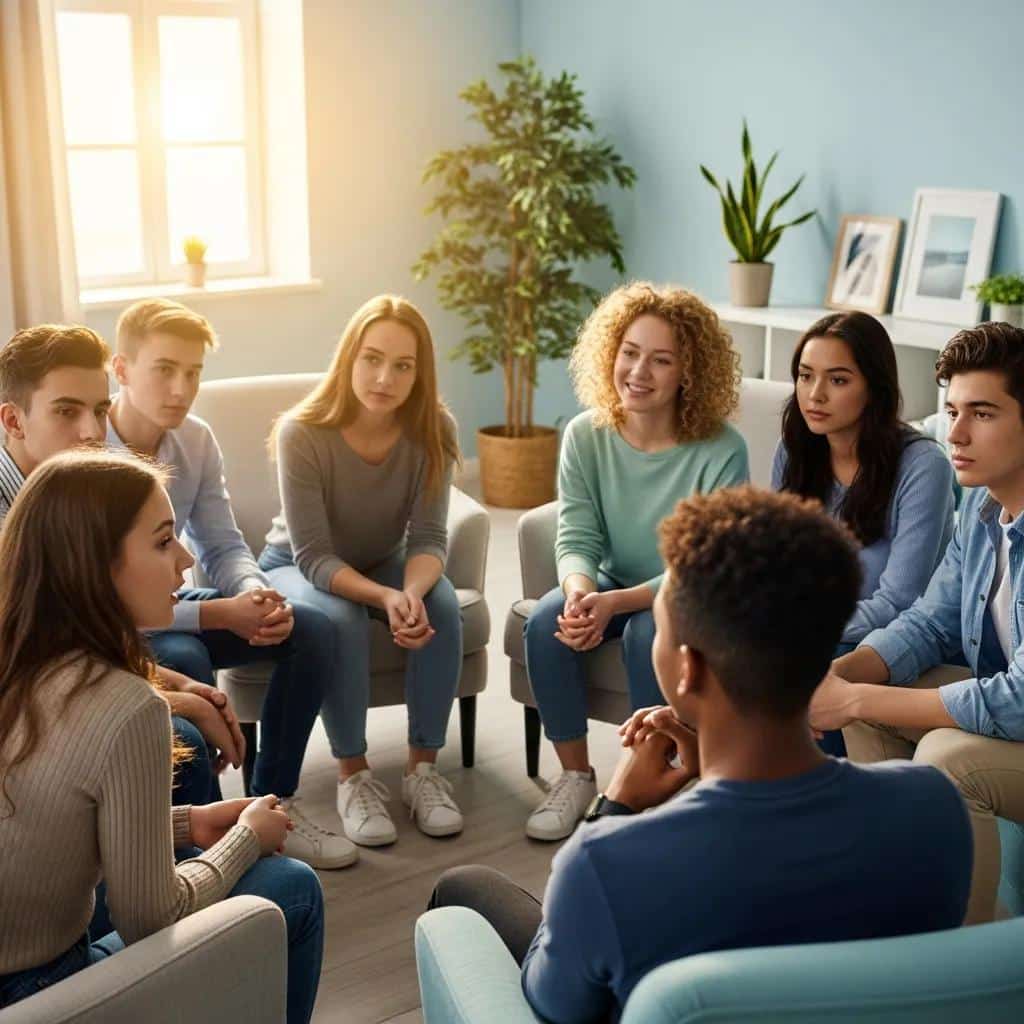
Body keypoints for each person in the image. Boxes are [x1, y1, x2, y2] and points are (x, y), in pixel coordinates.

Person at [430, 487, 972, 1023]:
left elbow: (553, 1007)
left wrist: (612, 809)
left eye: (659, 631)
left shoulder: (606, 864)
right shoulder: (934, 807)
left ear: (687, 670)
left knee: (463, 888)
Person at [0, 450, 323, 1022]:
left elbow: (40, 825)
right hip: (43, 992)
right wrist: (246, 836)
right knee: (292, 887)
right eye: (162, 541)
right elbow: (152, 918)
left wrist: (187, 823)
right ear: (95, 565)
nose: (185, 558)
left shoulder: (19, 658)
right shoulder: (126, 708)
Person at [107, 299, 354, 869]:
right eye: (164, 369)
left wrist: (255, 594)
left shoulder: (195, 439)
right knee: (186, 651)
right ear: (121, 369)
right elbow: (105, 597)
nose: (181, 387)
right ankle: (215, 840)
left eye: (193, 372)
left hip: (174, 602)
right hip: (115, 628)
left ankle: (273, 802)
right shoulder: (89, 452)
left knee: (309, 628)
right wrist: (220, 615)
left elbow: (219, 543)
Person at [810, 321, 1024, 924]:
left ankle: (972, 963)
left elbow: (1020, 698)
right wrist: (839, 676)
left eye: (981, 413)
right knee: (877, 696)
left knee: (950, 762)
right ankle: (895, 903)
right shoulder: (982, 513)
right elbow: (928, 622)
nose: (954, 433)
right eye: (951, 410)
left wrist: (852, 700)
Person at [523, 282, 748, 840]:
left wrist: (615, 603)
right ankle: (575, 775)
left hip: (690, 597)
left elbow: (701, 564)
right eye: (629, 352)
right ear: (611, 354)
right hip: (609, 580)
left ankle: (655, 786)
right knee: (545, 622)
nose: (638, 371)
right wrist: (579, 591)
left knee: (644, 630)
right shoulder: (586, 434)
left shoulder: (722, 449)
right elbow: (576, 531)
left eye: (661, 359)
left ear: (688, 372)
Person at [260, 294, 464, 848]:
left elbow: (427, 538)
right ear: (349, 357)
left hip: (381, 559)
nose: (384, 377)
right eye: (372, 359)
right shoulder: (301, 432)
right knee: (341, 619)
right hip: (294, 567)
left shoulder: (434, 430)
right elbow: (313, 557)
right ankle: (355, 776)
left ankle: (423, 771)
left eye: (403, 365)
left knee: (441, 603)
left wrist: (412, 594)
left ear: (420, 374)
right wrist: (381, 597)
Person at [0, 323, 229, 809]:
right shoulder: (13, 521)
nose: (91, 432)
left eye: (100, 410)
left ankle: (214, 834)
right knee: (182, 734)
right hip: (26, 697)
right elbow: (39, 664)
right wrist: (176, 699)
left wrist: (180, 688)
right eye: (67, 411)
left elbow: (80, 628)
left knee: (190, 671)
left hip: (71, 664)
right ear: (13, 421)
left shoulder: (71, 494)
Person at [772, 311, 955, 754]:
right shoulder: (795, 450)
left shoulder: (922, 466)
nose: (814, 394)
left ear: (874, 386)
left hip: (888, 640)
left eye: (838, 380)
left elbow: (900, 600)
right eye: (805, 376)